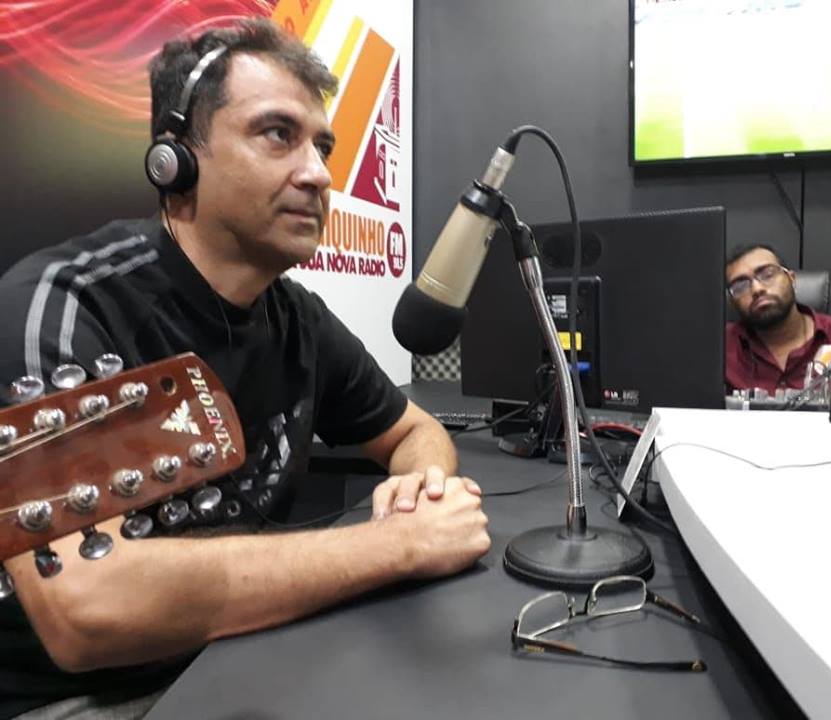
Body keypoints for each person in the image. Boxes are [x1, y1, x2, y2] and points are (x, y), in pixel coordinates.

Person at [0, 19, 490, 720]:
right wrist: (398, 546)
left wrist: (422, 487)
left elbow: (413, 431)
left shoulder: (296, 317)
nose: (318, 174)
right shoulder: (62, 306)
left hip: (238, 652)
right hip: (84, 698)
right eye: (277, 134)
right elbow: (85, 606)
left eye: (322, 146)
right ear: (176, 159)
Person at [725, 243, 831, 393]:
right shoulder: (721, 349)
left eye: (767, 275)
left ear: (791, 279)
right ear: (732, 301)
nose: (757, 289)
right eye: (740, 285)